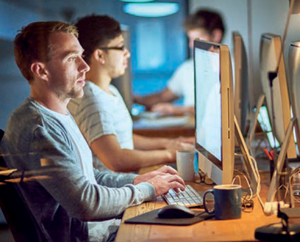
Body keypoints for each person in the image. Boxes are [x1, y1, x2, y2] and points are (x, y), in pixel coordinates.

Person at [0, 21, 185, 242]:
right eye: (71, 58)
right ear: (41, 71)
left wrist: (137, 180)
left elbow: (88, 176)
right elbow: (87, 203)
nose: (84, 66)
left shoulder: (58, 115)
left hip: (96, 230)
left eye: (81, 55)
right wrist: (148, 190)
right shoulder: (38, 129)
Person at [68, 15, 194, 173]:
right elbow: (117, 160)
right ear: (100, 55)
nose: (126, 53)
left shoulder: (109, 91)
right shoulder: (91, 99)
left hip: (127, 180)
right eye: (120, 47)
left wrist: (168, 143)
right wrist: (169, 154)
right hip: (111, 189)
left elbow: (123, 138)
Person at [133, 9, 225, 116]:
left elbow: (219, 110)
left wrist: (176, 110)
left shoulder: (231, 69)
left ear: (216, 36)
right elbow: (162, 97)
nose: (191, 45)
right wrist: (135, 99)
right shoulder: (188, 68)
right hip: (192, 131)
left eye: (196, 39)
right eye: (190, 39)